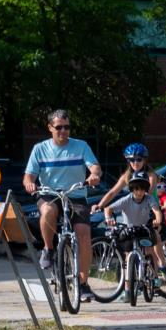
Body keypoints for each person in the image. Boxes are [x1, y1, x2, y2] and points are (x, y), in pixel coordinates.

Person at [23, 108, 103, 298]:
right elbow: (29, 176)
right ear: (50, 127)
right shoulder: (40, 149)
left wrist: (94, 175)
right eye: (59, 127)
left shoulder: (81, 146)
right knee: (48, 210)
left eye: (67, 127)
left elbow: (95, 167)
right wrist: (29, 183)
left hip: (75, 194)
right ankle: (48, 249)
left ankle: (83, 284)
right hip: (50, 194)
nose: (63, 131)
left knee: (83, 235)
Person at [94, 172, 165, 287]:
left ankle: (155, 276)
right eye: (136, 189)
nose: (139, 192)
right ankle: (128, 288)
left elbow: (157, 211)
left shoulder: (149, 198)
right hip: (129, 230)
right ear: (132, 189)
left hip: (143, 228)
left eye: (142, 189)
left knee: (149, 251)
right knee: (128, 256)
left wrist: (158, 220)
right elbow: (108, 209)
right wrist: (108, 218)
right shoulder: (126, 199)